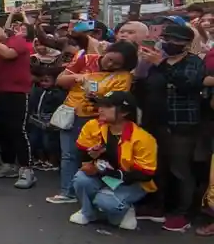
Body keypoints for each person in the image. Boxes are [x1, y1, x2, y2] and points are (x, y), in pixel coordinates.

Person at [47, 40, 137, 204]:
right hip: (71, 113)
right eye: (109, 58)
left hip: (98, 120)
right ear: (107, 51)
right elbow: (60, 80)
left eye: (117, 64)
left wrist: (99, 100)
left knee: (95, 157)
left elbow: (118, 100)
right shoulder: (86, 59)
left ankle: (94, 193)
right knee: (68, 154)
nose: (110, 64)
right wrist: (78, 78)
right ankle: (67, 192)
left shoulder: (123, 76)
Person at [135, 24, 206, 232]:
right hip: (156, 123)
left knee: (180, 169)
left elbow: (188, 84)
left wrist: (163, 65)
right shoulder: (159, 61)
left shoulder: (193, 62)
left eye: (175, 40)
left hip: (181, 125)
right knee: (159, 167)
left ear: (185, 44)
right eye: (167, 38)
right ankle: (159, 207)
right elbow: (143, 83)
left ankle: (183, 213)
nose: (169, 43)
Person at [68, 91, 157, 230]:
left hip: (132, 183)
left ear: (124, 112)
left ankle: (124, 209)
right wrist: (90, 159)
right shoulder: (93, 126)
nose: (101, 109)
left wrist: (107, 173)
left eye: (108, 106)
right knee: (81, 178)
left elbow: (145, 174)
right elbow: (81, 154)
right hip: (106, 176)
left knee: (105, 201)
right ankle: (88, 212)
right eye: (101, 104)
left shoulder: (143, 138)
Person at [0, 19, 35, 188]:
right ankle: (8, 164)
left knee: (17, 130)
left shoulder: (16, 40)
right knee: (1, 130)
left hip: (17, 93)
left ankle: (27, 170)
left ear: (2, 27)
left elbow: (8, 54)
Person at [28, 71, 66, 171]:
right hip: (38, 120)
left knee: (49, 142)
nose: (43, 83)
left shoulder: (57, 93)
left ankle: (53, 161)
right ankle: (41, 159)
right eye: (42, 81)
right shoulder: (38, 91)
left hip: (50, 121)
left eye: (47, 81)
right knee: (36, 140)